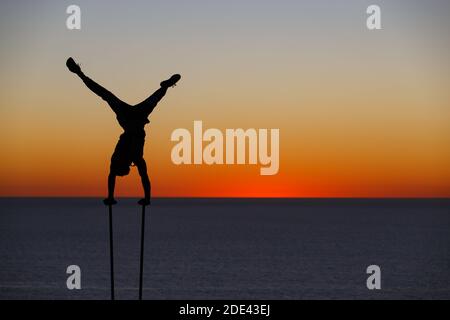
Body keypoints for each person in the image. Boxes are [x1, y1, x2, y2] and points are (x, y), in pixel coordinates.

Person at [66, 57, 180, 206]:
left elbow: (141, 177)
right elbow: (128, 177)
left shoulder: (131, 158)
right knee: (106, 95)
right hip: (132, 119)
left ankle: (164, 87)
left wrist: (145, 198)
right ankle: (165, 87)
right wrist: (114, 197)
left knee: (111, 95)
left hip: (132, 119)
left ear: (125, 166)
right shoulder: (126, 159)